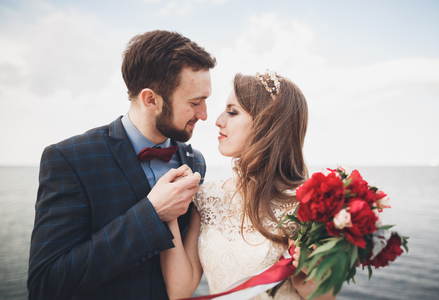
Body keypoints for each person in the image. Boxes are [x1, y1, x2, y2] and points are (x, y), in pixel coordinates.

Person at [27, 30, 216, 300]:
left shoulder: (195, 161)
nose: (204, 115)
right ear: (150, 99)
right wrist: (151, 213)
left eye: (205, 100)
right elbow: (46, 285)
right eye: (195, 103)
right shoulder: (69, 158)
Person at [160, 71, 337, 299]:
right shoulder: (206, 196)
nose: (218, 120)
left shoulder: (308, 205)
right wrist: (169, 213)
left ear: (267, 124)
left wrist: (308, 274)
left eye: (232, 112)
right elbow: (179, 291)